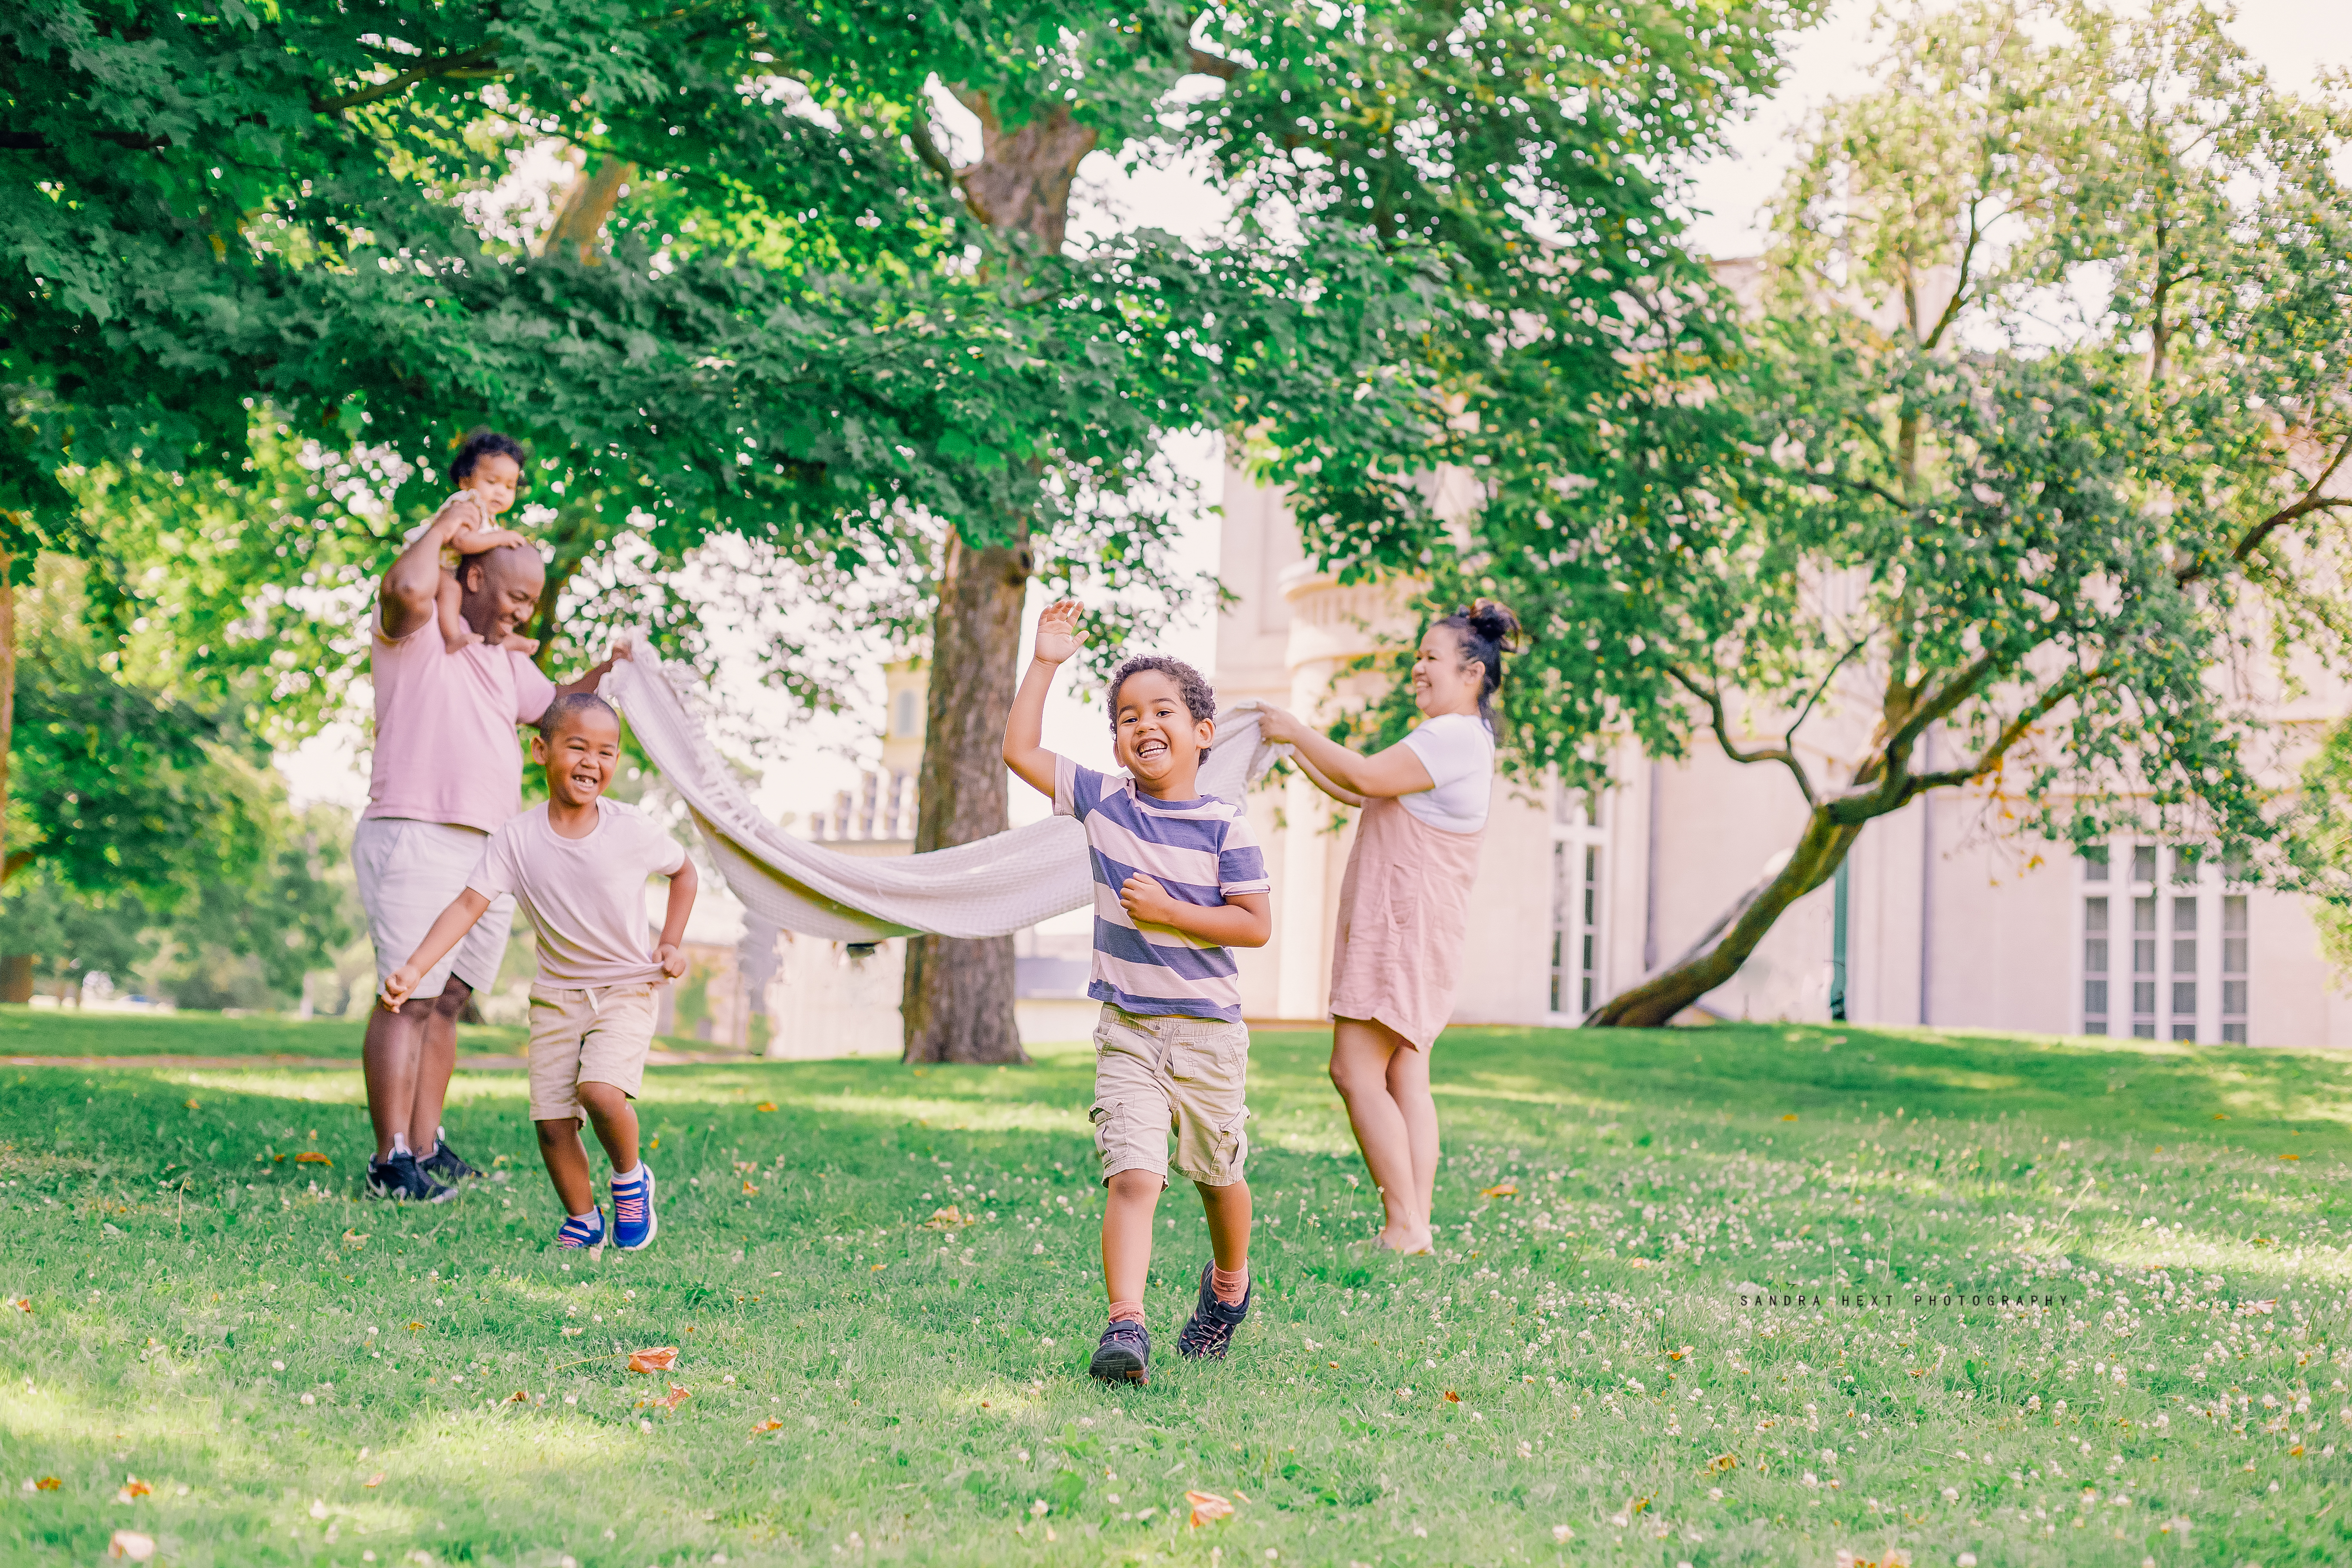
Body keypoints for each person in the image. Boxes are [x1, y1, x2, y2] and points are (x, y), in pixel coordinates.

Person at [1001, 599, 1272, 1385]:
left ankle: (1228, 1287)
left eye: (1161, 710)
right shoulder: (1103, 802)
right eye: (1126, 715)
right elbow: (1019, 747)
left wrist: (1170, 912)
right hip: (1128, 1029)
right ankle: (1127, 1324)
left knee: (1218, 1174)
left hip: (1208, 1036)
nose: (1142, 724)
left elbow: (1253, 925)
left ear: (1201, 732)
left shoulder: (1227, 825)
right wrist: (1046, 658)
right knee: (1134, 1173)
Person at [357, 428, 625, 1203]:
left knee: (447, 1000)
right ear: (471, 578)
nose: (522, 612)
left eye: (531, 602)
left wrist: (612, 671)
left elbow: (565, 708)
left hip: (486, 851)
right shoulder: (415, 634)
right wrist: (449, 522)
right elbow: (407, 588)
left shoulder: (507, 665)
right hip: (415, 830)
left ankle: (427, 1141)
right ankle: (389, 1158)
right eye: (514, 596)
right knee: (404, 995)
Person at [1253, 601, 1524, 1255]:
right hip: (1424, 924)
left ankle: (1405, 1225)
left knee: (1354, 1069)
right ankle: (1416, 1225)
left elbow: (1367, 775)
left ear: (1473, 673)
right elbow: (1361, 789)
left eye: (1431, 658)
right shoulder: (1460, 740)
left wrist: (1296, 728)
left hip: (1403, 922)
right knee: (1406, 1071)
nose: (1417, 669)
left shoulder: (1453, 735)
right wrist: (1290, 745)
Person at [380, 693, 697, 1249]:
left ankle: (629, 1180)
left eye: (607, 752)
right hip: (557, 996)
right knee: (553, 1124)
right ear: (540, 751)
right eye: (578, 747)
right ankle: (583, 1218)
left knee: (601, 1092)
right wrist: (414, 968)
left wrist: (670, 943)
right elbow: (466, 906)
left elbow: (685, 872)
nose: (592, 762)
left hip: (626, 986)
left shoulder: (631, 829)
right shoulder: (517, 838)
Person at [432, 434, 541, 655]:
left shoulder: (490, 520)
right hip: (437, 566)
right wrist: (500, 539)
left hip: (457, 569)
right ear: (465, 481)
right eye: (492, 482)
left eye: (510, 487)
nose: (501, 491)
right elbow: (461, 542)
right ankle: (452, 636)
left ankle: (503, 640)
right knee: (451, 589)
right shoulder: (467, 505)